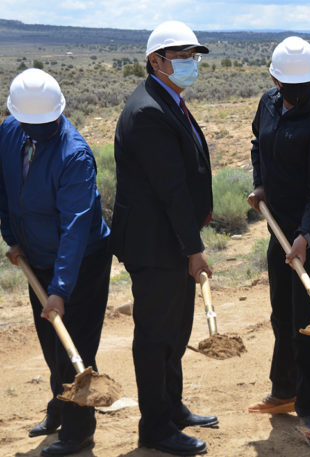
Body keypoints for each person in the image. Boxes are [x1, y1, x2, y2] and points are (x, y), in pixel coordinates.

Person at [112, 21, 216, 455]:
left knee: (176, 330)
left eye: (193, 56)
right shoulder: (149, 111)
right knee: (156, 336)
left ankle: (172, 408)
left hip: (168, 240)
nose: (190, 63)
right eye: (181, 56)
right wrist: (194, 250)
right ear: (156, 61)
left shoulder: (168, 99)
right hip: (156, 246)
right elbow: (170, 189)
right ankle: (155, 427)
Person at [0, 68, 111, 456]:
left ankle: (79, 431)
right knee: (52, 345)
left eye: (46, 123)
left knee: (76, 347)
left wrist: (61, 289)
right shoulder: (10, 133)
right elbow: (3, 188)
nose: (39, 129)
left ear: (59, 113)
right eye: (31, 123)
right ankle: (60, 408)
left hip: (82, 262)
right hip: (37, 257)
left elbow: (76, 228)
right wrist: (11, 238)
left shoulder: (74, 154)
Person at [246, 36, 310, 440]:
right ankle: (284, 390)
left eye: (300, 89)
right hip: (280, 224)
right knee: (280, 312)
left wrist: (306, 235)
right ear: (274, 80)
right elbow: (259, 145)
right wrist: (260, 185)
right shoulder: (269, 104)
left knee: (309, 321)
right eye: (285, 89)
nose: (291, 96)